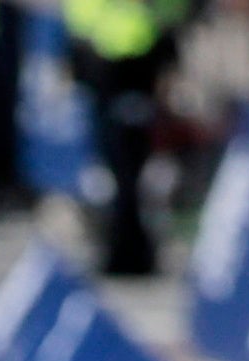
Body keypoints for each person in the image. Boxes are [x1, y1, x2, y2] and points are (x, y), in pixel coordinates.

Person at [60, 0, 183, 275]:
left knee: (128, 167)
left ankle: (126, 249)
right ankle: (126, 248)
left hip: (127, 57)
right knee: (121, 166)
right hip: (117, 57)